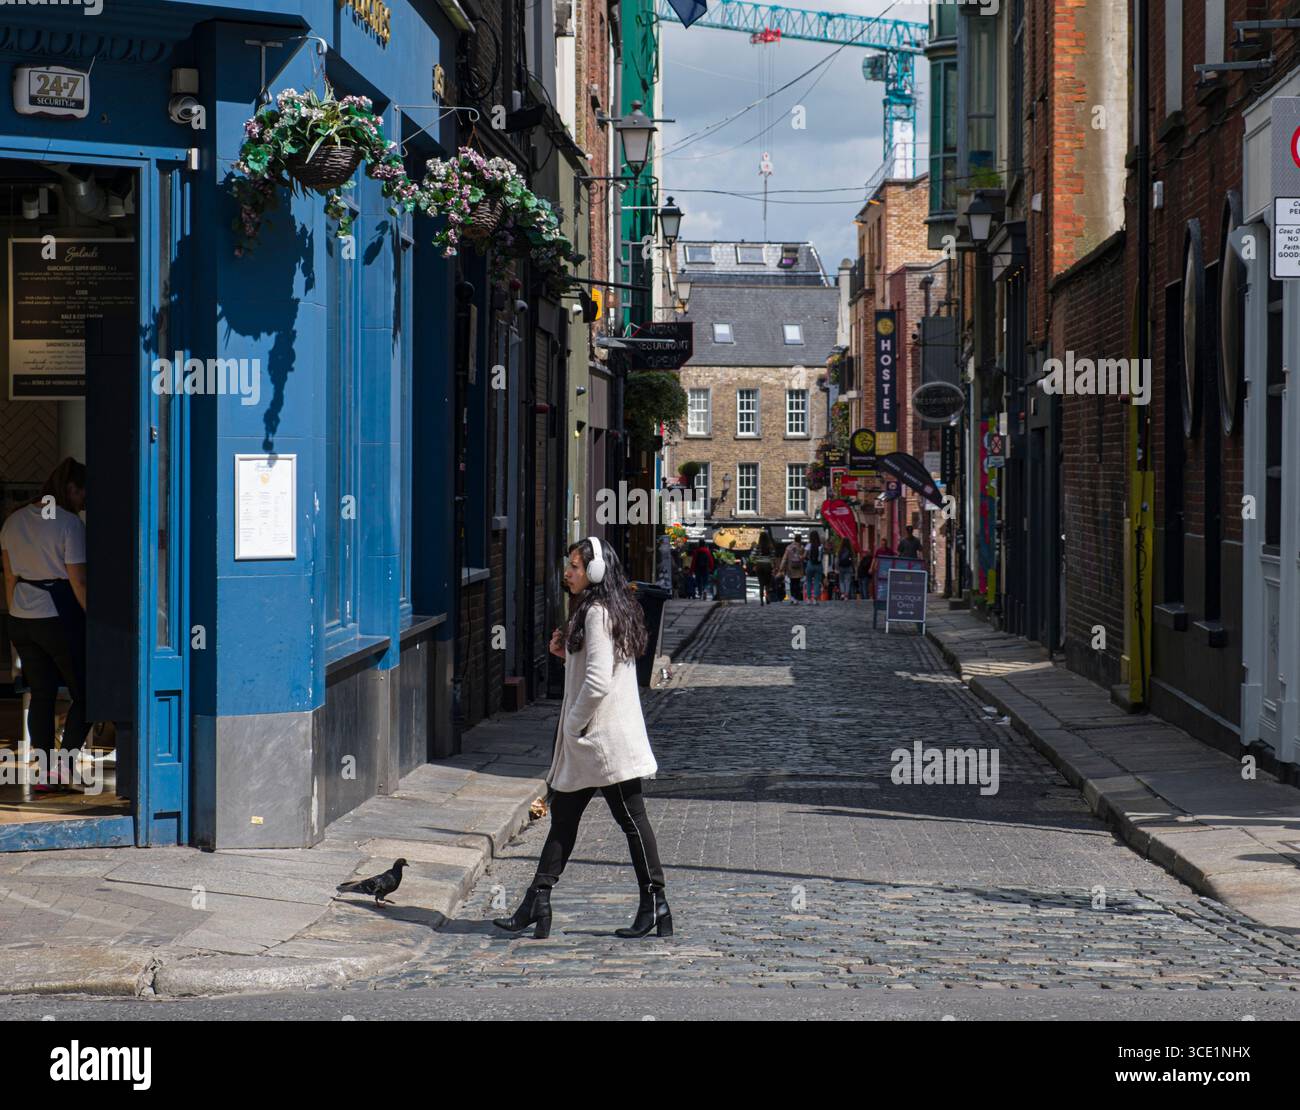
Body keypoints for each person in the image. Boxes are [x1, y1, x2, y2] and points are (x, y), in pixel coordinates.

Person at [493, 537, 670, 940]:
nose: (567, 573)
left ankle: (655, 903)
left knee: (630, 819)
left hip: (601, 742)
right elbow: (595, 665)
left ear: (592, 573)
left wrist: (572, 725)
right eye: (568, 565)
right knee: (566, 820)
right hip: (599, 740)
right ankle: (537, 899)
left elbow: (596, 682)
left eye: (574, 566)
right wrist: (565, 654)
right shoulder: (609, 609)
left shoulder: (595, 613)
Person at [0, 458, 88, 794]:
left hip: (22, 619)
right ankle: (62, 769)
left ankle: (45, 775)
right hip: (58, 620)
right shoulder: (68, 525)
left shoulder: (13, 521)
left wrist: (15, 618)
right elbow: (78, 582)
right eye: (83, 494)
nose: (83, 503)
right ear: (70, 489)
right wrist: (94, 621)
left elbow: (10, 577)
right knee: (88, 694)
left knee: (42, 694)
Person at [777, 536, 806, 603]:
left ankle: (792, 597)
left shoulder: (788, 547)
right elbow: (804, 557)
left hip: (791, 568)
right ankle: (796, 597)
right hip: (799, 568)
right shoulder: (801, 548)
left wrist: (781, 568)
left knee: (792, 583)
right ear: (800, 540)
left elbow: (784, 558)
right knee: (797, 583)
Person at [752, 533, 775, 605]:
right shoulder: (770, 547)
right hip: (768, 565)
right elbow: (773, 557)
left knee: (761, 583)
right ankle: (767, 597)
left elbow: (752, 556)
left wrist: (756, 560)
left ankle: (761, 600)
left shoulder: (757, 547)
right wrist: (773, 565)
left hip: (759, 565)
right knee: (767, 583)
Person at [805, 530, 823, 605]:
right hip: (818, 565)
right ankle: (815, 599)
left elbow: (805, 555)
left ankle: (809, 599)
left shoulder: (809, 545)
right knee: (817, 582)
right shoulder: (821, 545)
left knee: (808, 582)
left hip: (810, 564)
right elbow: (822, 556)